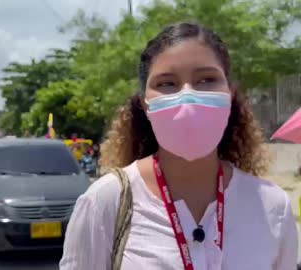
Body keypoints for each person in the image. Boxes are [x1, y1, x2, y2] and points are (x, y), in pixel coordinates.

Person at [60, 22, 297, 270]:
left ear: (230, 94)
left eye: (206, 79)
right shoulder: (105, 203)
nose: (188, 96)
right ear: (144, 104)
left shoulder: (272, 207)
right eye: (166, 83)